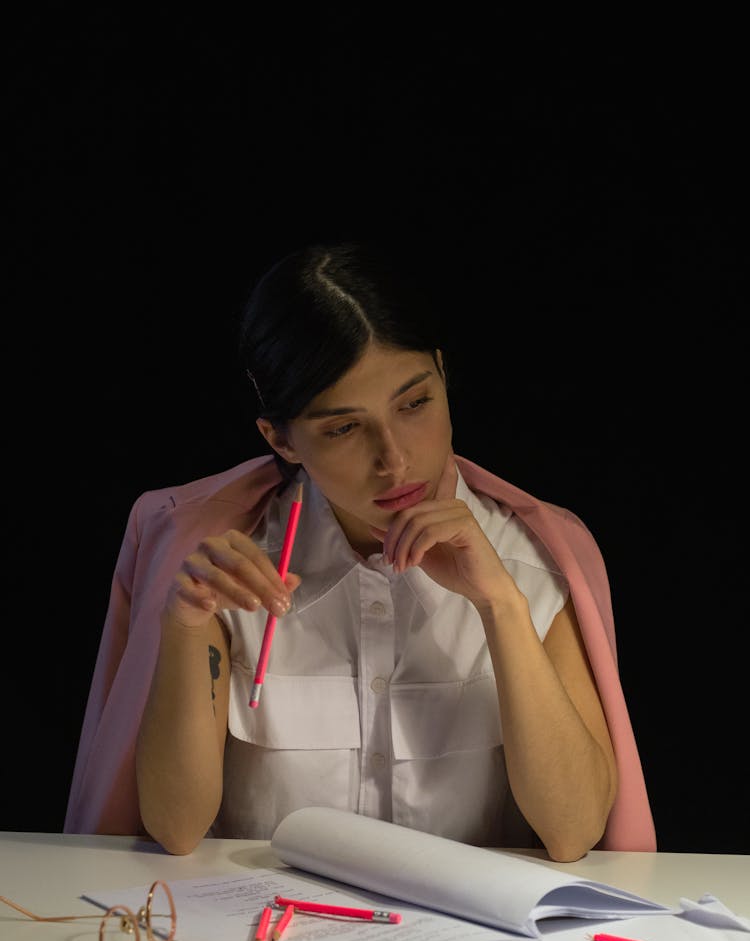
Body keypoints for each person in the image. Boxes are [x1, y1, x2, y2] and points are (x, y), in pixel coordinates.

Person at [64, 242, 656, 859]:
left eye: (415, 404)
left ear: (444, 375)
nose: (394, 459)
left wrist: (501, 605)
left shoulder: (536, 558)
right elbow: (176, 827)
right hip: (262, 940)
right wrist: (185, 628)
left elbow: (575, 830)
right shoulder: (225, 564)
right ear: (281, 439)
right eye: (344, 428)